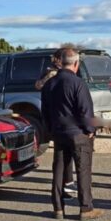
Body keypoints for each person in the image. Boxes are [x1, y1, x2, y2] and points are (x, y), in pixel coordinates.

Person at [41, 48, 104, 221]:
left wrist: (50, 130)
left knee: (59, 170)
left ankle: (58, 208)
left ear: (61, 61)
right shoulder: (78, 83)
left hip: (59, 133)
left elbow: (44, 112)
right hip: (78, 134)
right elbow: (85, 111)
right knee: (83, 170)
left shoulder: (49, 84)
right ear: (76, 64)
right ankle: (85, 208)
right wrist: (90, 130)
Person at [35, 49, 77, 198]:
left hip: (69, 118)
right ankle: (62, 188)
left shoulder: (71, 74)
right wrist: (49, 76)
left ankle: (68, 184)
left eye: (57, 58)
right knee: (60, 157)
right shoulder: (49, 73)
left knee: (69, 154)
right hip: (55, 119)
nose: (56, 61)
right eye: (55, 59)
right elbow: (38, 86)